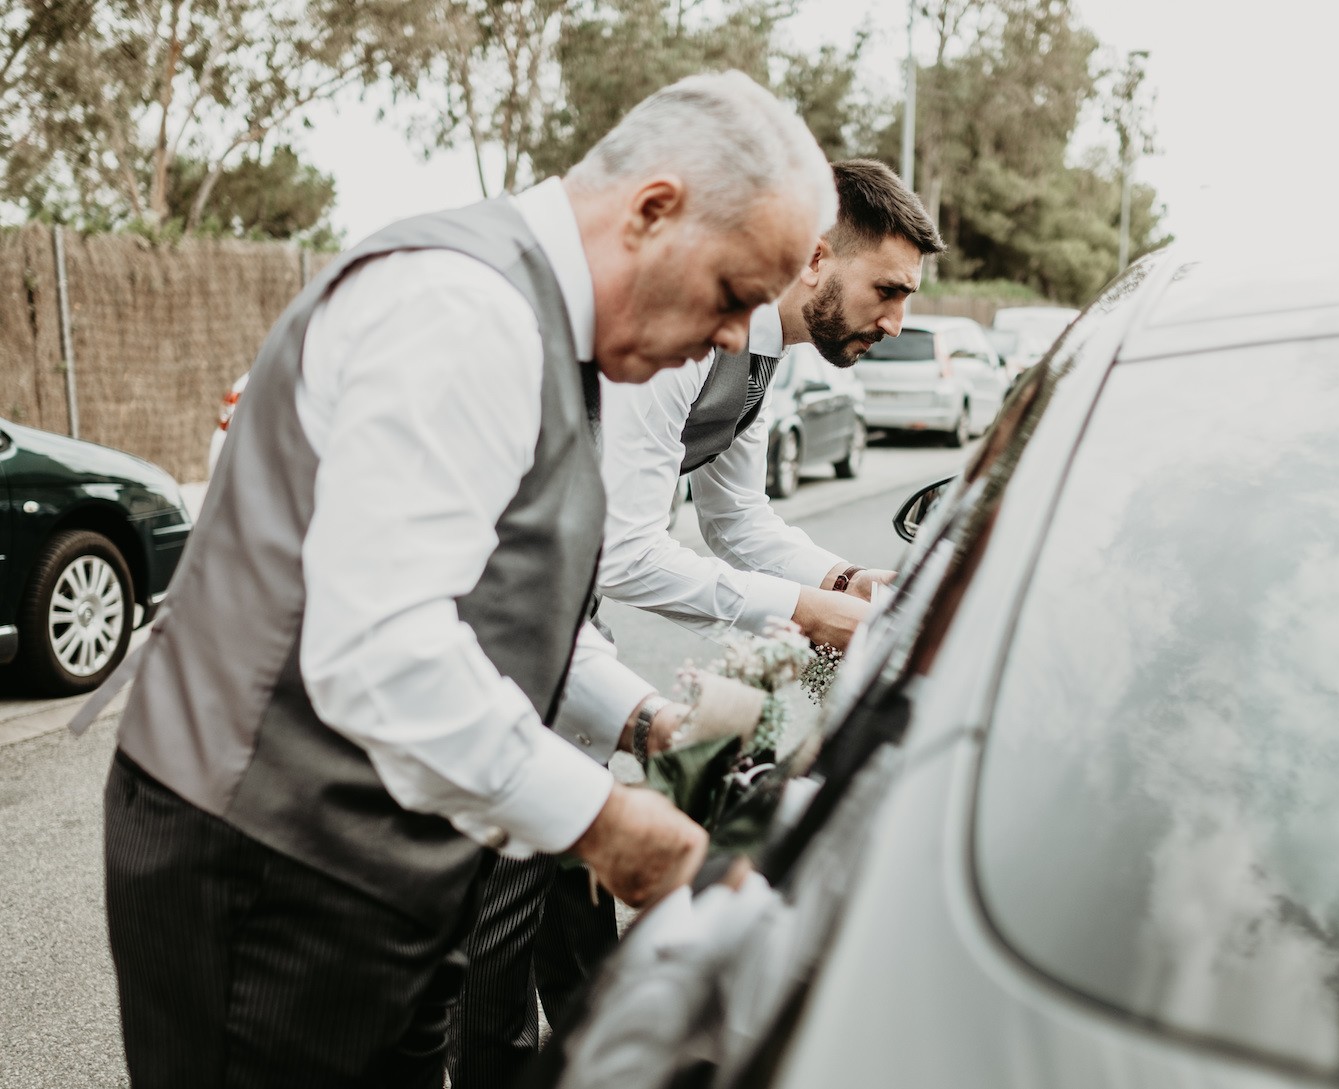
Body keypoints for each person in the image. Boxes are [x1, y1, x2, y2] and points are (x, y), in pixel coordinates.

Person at [100, 70, 837, 1089]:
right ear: (653, 211)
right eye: (732, 294)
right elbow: (383, 649)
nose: (728, 337)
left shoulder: (549, 332)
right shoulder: (464, 311)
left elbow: (493, 604)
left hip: (390, 865)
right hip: (273, 873)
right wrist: (610, 826)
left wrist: (647, 724)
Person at [450, 159, 945, 1088]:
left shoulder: (764, 352)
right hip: (500, 613)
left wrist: (846, 579)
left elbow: (735, 520)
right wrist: (803, 610)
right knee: (500, 948)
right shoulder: (684, 325)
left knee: (587, 940)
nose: (897, 319)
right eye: (886, 289)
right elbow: (626, 550)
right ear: (814, 259)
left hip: (570, 631)